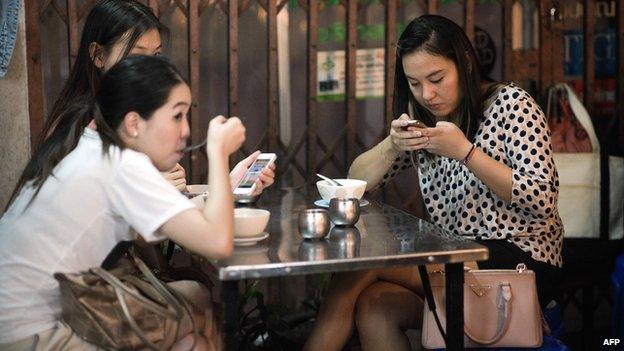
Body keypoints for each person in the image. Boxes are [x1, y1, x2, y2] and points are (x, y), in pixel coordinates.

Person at [303, 15, 563, 351]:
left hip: (522, 257)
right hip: (455, 257)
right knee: (375, 305)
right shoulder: (425, 121)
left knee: (360, 269)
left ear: (465, 63)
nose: (427, 94)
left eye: (436, 78)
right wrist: (391, 145)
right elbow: (358, 182)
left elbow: (542, 198)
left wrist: (466, 153)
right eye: (414, 83)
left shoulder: (511, 104)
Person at [0, 55, 242, 350]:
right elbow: (218, 243)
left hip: (29, 316)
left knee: (196, 307)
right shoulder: (122, 166)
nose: (186, 131)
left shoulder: (96, 145)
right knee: (198, 324)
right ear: (133, 123)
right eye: (177, 116)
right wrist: (217, 151)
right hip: (29, 332)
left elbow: (175, 224)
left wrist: (227, 184)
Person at [17, 0, 273, 198]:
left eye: (156, 55)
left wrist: (228, 185)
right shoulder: (84, 122)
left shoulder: (126, 113)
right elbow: (83, 212)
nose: (149, 67)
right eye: (136, 55)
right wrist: (150, 190)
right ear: (98, 55)